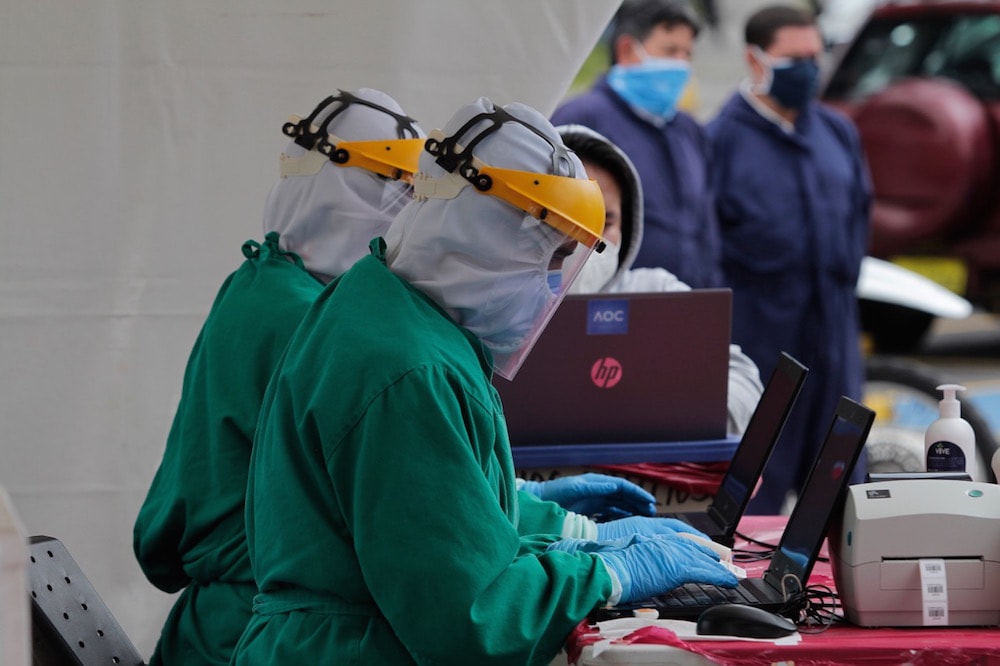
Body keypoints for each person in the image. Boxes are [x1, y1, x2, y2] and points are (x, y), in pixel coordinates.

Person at [230, 97, 738, 665]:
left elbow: (426, 534)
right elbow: (472, 620)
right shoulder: (408, 369)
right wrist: (607, 570)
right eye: (553, 259)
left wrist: (534, 518)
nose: (552, 287)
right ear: (496, 237)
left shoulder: (383, 307)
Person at [132, 88, 427, 665]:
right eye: (403, 195)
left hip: (228, 621)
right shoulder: (305, 318)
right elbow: (389, 497)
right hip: (261, 630)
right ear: (354, 196)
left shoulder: (261, 279)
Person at [706, 5, 872, 514]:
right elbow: (706, 253)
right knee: (752, 503)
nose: (809, 68)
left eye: (814, 56)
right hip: (763, 353)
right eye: (793, 58)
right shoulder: (720, 142)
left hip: (835, 346)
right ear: (756, 61)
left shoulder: (836, 134)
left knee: (844, 496)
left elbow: (859, 218)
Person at [557, 124, 764, 437]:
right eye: (571, 215)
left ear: (627, 227)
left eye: (605, 220)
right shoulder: (501, 309)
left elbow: (742, 380)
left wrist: (666, 415)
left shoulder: (655, 292)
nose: (588, 238)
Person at [550, 0, 723, 289]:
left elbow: (706, 224)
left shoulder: (688, 129)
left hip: (684, 303)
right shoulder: (581, 120)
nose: (681, 64)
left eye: (687, 54)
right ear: (628, 50)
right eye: (670, 51)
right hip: (607, 309)